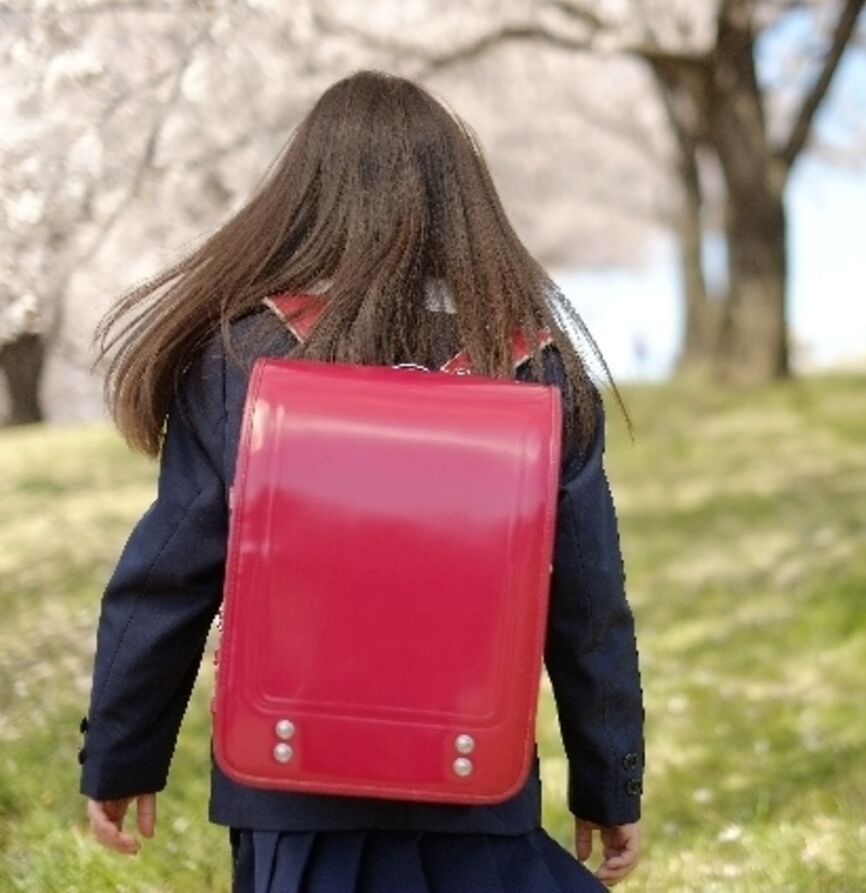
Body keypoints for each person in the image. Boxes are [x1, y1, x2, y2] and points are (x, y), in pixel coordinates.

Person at [79, 70, 645, 891]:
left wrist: (122, 755)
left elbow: (167, 579)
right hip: (474, 786)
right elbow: (588, 604)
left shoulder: (240, 357)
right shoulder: (533, 366)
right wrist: (609, 782)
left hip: (290, 792)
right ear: (465, 205)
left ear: (304, 199)